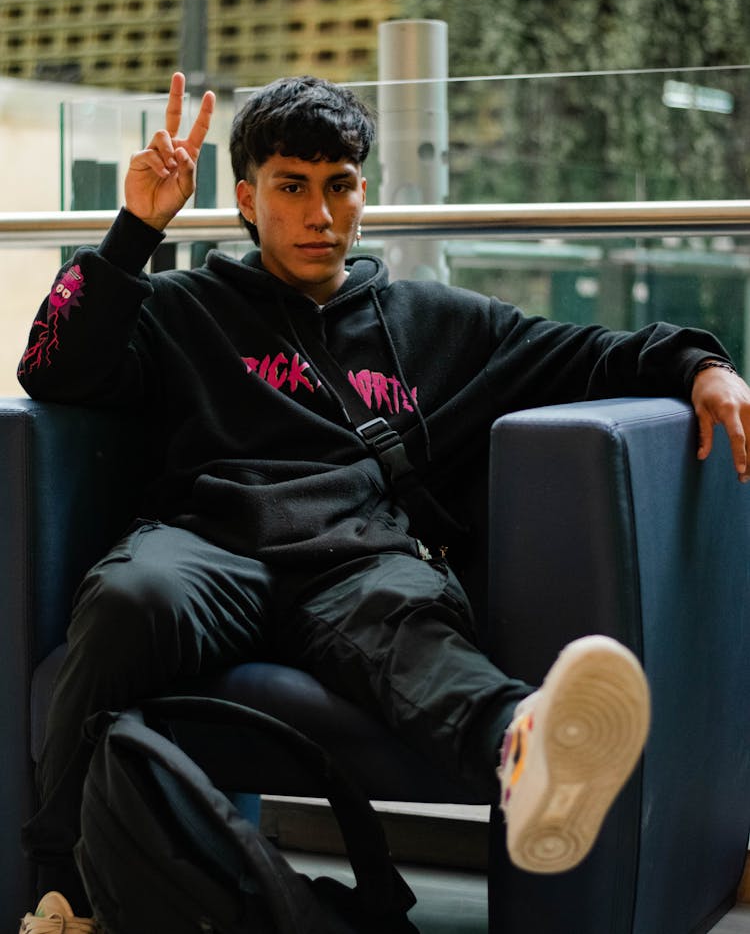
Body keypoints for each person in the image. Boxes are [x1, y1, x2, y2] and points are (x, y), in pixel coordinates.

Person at [17, 72, 750, 932]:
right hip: (207, 546)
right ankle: (64, 896)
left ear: (364, 192)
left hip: (356, 559)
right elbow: (51, 368)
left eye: (340, 186)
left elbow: (590, 351)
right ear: (247, 200)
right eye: (291, 187)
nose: (319, 214)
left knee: (410, 625)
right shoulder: (187, 307)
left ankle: (527, 747)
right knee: (127, 599)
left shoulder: (435, 323)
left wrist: (702, 363)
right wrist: (136, 227)